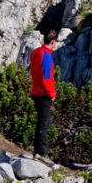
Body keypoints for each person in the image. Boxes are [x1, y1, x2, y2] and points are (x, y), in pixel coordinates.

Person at [29, 29, 58, 166]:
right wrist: (52, 94)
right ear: (53, 42)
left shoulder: (35, 52)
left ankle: (37, 152)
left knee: (40, 122)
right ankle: (42, 153)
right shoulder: (46, 55)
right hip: (44, 94)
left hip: (35, 91)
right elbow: (47, 77)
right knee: (44, 124)